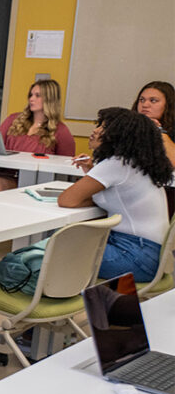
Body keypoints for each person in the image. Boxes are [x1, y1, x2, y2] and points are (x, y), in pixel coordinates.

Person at [58, 108, 173, 282]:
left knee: (55, 253)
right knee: (56, 250)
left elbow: (67, 200)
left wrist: (94, 176)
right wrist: (92, 171)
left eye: (104, 127)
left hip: (136, 255)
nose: (95, 131)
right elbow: (116, 197)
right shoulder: (135, 163)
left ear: (120, 135)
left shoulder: (116, 164)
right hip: (151, 255)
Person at [0, 79, 75, 197]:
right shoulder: (13, 119)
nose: (31, 99)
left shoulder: (60, 130)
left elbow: (66, 166)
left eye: (37, 96)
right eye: (31, 95)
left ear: (50, 99)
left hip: (27, 179)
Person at [131, 81, 175, 167]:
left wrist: (158, 130)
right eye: (142, 100)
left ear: (168, 105)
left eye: (153, 100)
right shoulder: (127, 128)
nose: (145, 105)